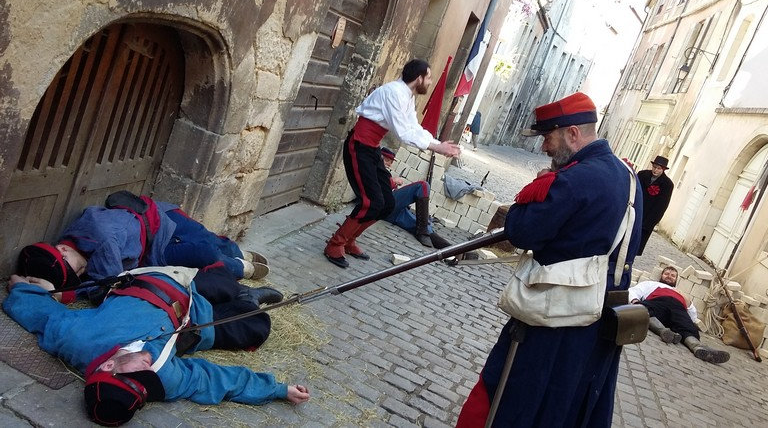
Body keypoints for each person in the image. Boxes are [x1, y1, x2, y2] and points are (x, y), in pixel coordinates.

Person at [457, 92, 644, 427]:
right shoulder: (629, 178)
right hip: (601, 318)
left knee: (518, 397)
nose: (544, 146)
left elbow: (521, 231)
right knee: (569, 406)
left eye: (548, 137)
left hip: (556, 313)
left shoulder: (573, 179)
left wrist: (537, 190)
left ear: (573, 133)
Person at [3, 265, 308, 426]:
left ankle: (237, 288)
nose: (147, 369)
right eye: (145, 380)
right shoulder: (162, 380)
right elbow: (212, 380)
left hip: (165, 277)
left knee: (221, 281)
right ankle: (249, 298)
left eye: (137, 372)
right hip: (193, 316)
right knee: (255, 326)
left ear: (109, 366)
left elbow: (41, 315)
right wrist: (277, 390)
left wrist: (20, 287)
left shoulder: (75, 339)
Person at [323, 59, 461, 268]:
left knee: (386, 204)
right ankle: (335, 244)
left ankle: (350, 241)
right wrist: (436, 148)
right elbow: (403, 133)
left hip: (371, 149)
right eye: (429, 77)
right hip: (359, 146)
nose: (430, 82)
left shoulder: (406, 96)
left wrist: (438, 143)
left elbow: (413, 126)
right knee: (371, 202)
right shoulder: (393, 93)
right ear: (419, 78)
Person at [16, 191, 270, 302]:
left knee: (208, 240)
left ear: (61, 250)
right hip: (155, 252)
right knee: (203, 255)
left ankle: (237, 254)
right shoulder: (75, 249)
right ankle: (238, 267)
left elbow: (107, 284)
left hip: (161, 220)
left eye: (73, 270)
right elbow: (108, 283)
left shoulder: (101, 240)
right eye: (75, 277)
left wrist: (68, 294)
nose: (79, 275)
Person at [629, 266, 730, 364]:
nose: (669, 276)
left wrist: (688, 302)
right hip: (658, 302)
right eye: (666, 274)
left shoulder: (679, 292)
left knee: (687, 326)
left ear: (676, 279)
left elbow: (693, 316)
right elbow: (633, 291)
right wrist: (635, 301)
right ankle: (663, 331)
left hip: (678, 307)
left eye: (673, 275)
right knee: (644, 310)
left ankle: (697, 347)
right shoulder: (651, 284)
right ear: (661, 275)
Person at [379, 147, 451, 249]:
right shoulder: (375, 168)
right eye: (387, 160)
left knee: (423, 226)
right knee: (423, 186)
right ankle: (423, 231)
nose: (389, 164)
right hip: (383, 205)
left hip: (393, 212)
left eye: (390, 162)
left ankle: (455, 251)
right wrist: (393, 182)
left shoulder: (384, 172)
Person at [637, 155, 674, 255]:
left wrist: (648, 224)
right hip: (634, 211)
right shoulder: (642, 174)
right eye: (654, 167)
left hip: (647, 218)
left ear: (663, 170)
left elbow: (661, 207)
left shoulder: (667, 184)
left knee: (635, 246)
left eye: (659, 168)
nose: (655, 170)